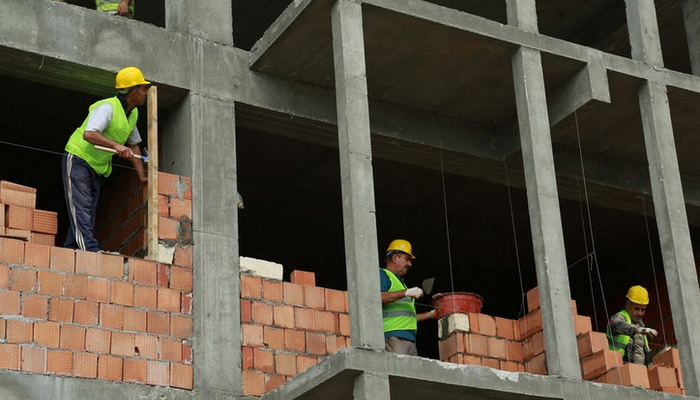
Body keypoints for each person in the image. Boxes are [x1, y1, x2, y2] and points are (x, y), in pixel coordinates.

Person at [62, 66, 149, 252]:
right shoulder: (107, 107)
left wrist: (141, 176)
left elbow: (133, 145)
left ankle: (70, 251)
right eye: (143, 89)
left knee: (87, 210)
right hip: (78, 158)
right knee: (81, 207)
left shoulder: (132, 113)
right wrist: (117, 146)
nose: (146, 93)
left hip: (96, 166)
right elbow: (89, 134)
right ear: (133, 93)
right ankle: (90, 250)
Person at [380, 239, 435, 355]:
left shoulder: (401, 284)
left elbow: (408, 317)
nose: (410, 264)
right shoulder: (383, 275)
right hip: (394, 336)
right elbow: (378, 298)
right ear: (395, 258)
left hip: (409, 340)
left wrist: (431, 315)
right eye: (407, 259)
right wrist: (406, 293)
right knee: (397, 372)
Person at [606, 285, 658, 365]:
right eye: (636, 309)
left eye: (643, 310)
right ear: (628, 305)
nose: (640, 313)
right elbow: (614, 323)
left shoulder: (641, 326)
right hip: (620, 370)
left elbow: (643, 354)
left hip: (638, 373)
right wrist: (637, 330)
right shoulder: (621, 317)